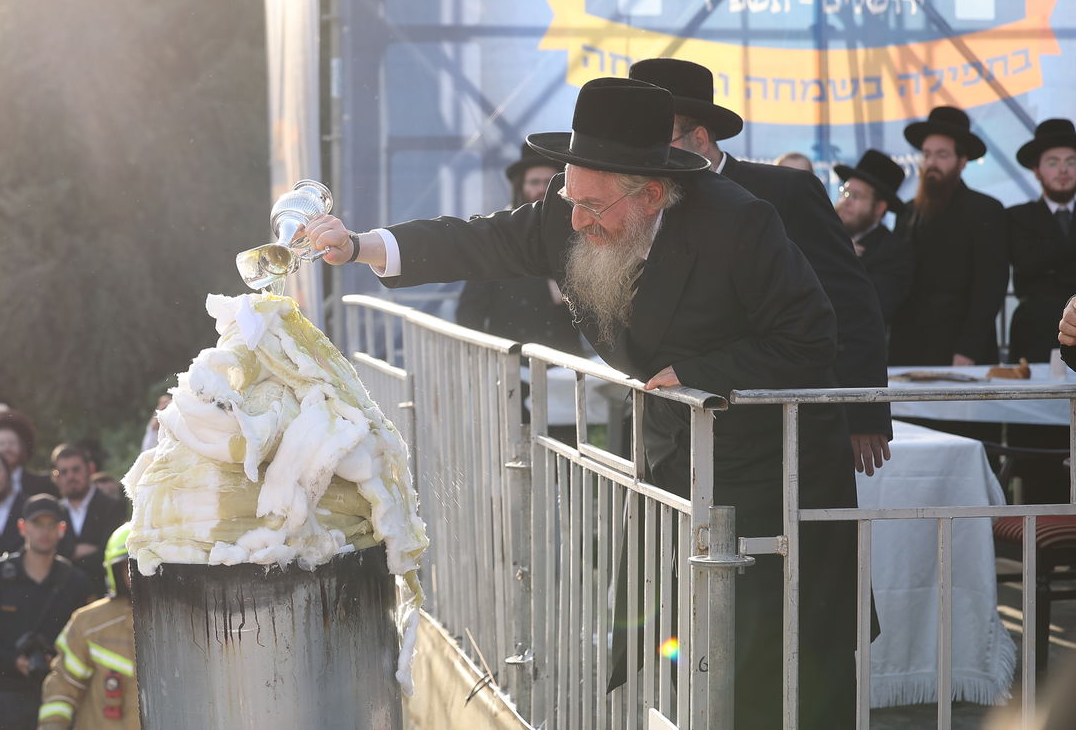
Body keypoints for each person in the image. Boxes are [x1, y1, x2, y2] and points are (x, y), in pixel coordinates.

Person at [304, 76, 859, 730]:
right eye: (572, 198)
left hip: (772, 467)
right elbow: (476, 240)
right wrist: (360, 244)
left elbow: (812, 336)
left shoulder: (738, 222)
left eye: (595, 206)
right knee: (678, 637)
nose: (576, 220)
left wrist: (700, 372)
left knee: (767, 658)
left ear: (653, 193)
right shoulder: (570, 213)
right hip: (675, 458)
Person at [629, 58, 892, 475]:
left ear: (699, 137)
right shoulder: (641, 201)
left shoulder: (783, 191)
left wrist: (863, 411)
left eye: (660, 139)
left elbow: (851, 304)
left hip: (778, 425)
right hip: (677, 430)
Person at [889, 105, 1008, 366]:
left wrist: (968, 349)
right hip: (909, 347)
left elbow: (990, 287)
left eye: (942, 155)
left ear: (962, 161)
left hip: (960, 349)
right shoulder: (908, 212)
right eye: (927, 154)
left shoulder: (986, 210)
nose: (931, 163)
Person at [0, 494, 94, 730]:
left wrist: (57, 660)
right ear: (23, 527)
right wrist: (15, 660)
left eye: (51, 525)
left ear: (62, 529)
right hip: (5, 695)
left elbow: (88, 640)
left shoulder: (77, 581)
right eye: (37, 524)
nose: (44, 532)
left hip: (60, 694)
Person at [454, 144, 584, 352]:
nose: (541, 189)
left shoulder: (578, 232)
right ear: (521, 186)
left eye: (549, 183)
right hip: (513, 366)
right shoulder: (496, 236)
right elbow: (471, 310)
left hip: (567, 364)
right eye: (534, 182)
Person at [38, 524, 139, 729]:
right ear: (115, 571)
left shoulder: (192, 623)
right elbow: (63, 686)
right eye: (130, 567)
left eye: (147, 565)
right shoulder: (89, 623)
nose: (138, 575)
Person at [1008, 119, 1076, 363]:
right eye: (1053, 162)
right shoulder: (1017, 216)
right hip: (1033, 331)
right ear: (1037, 170)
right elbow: (1026, 263)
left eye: (1070, 162)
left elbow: (1039, 260)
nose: (1063, 170)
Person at [833, 149, 914, 326]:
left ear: (879, 208)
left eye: (856, 196)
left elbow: (869, 309)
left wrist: (843, 259)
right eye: (844, 192)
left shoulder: (894, 253)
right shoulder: (826, 239)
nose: (846, 201)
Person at [51, 444, 128, 594]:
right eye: (63, 472)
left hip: (101, 593)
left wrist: (67, 555)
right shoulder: (54, 511)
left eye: (76, 469)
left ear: (90, 469)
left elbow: (107, 556)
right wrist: (76, 550)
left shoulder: (112, 507)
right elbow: (49, 555)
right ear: (56, 477)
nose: (70, 476)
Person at [0, 410, 56, 497]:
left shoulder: (44, 484)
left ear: (22, 447)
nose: (7, 448)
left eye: (12, 443)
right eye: (1, 444)